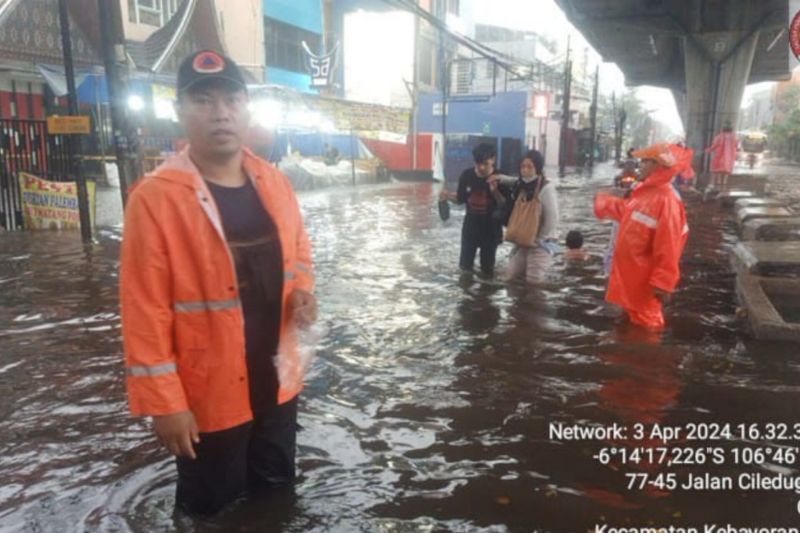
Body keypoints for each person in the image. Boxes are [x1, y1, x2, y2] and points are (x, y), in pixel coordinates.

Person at [120, 50, 317, 515]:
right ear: (179, 111)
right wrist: (165, 404)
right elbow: (144, 309)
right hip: (209, 394)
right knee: (212, 513)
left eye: (231, 98)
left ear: (246, 107)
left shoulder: (274, 183)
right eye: (203, 100)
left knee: (277, 499)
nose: (220, 112)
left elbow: (300, 252)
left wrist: (303, 291)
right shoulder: (156, 198)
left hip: (278, 381)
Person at [594, 143, 689, 330]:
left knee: (646, 329)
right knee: (630, 327)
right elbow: (626, 212)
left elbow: (669, 244)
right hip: (630, 279)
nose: (641, 165)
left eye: (646, 161)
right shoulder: (645, 193)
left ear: (659, 166)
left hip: (644, 284)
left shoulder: (666, 199)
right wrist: (602, 202)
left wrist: (663, 283)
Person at [440, 143, 507, 277]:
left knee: (487, 271)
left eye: (485, 164)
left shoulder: (501, 178)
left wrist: (495, 192)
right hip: (470, 229)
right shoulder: (467, 175)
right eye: (478, 163)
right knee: (465, 269)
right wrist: (447, 196)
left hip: (491, 231)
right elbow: (461, 199)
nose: (481, 167)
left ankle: (484, 296)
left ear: (493, 160)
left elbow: (505, 205)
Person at [504, 150, 559, 283]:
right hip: (524, 241)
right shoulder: (522, 185)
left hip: (541, 243)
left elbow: (552, 218)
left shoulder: (546, 188)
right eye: (523, 167)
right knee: (511, 276)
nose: (525, 170)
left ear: (537, 168)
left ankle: (533, 303)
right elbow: (513, 181)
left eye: (530, 167)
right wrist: (499, 178)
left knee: (533, 281)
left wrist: (539, 239)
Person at [705, 123, 737, 192]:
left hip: (720, 156)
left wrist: (708, 150)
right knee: (726, 172)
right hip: (730, 158)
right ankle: (724, 185)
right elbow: (737, 146)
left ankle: (719, 186)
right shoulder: (734, 137)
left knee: (719, 171)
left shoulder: (719, 136)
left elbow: (714, 146)